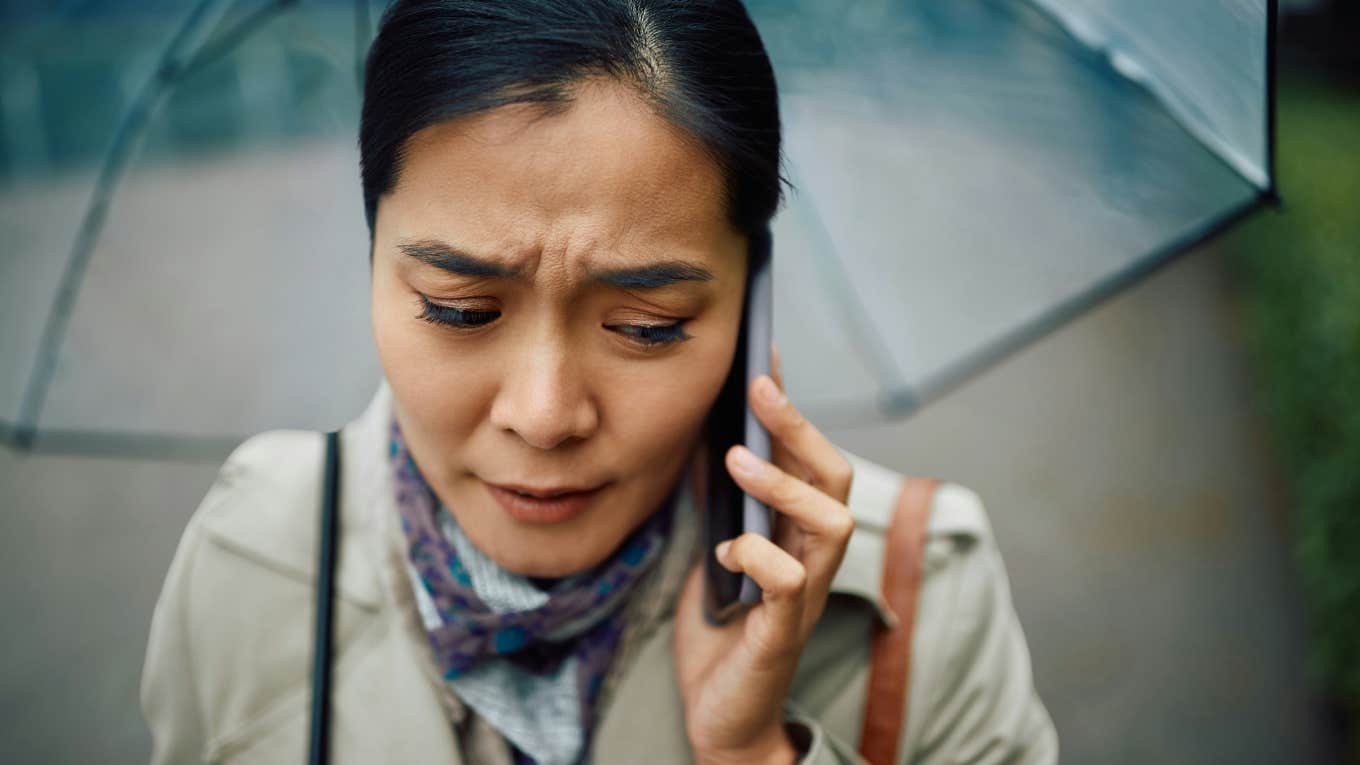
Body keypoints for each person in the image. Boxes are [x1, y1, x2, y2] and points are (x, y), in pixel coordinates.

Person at [140, 1, 1058, 762]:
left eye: (646, 327)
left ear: (754, 304)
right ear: (373, 256)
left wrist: (754, 755)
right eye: (461, 308)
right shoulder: (252, 552)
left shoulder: (926, 597)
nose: (544, 417)